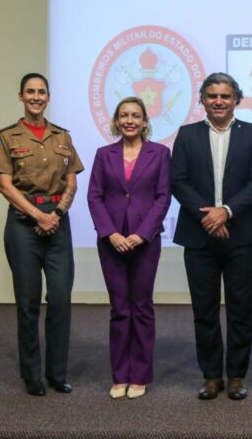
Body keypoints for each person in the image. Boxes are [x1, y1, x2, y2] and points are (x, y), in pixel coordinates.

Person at [171, 72, 252, 400]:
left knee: (241, 309)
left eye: (225, 96)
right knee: (205, 310)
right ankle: (211, 376)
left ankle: (237, 375)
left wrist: (225, 210)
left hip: (240, 235)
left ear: (236, 100)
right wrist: (209, 216)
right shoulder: (186, 135)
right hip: (199, 237)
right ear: (202, 100)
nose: (218, 101)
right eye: (212, 96)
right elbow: (178, 181)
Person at [0, 73, 84, 396]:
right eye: (30, 92)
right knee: (28, 302)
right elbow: (5, 185)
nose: (36, 97)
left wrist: (55, 215)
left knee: (60, 299)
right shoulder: (7, 137)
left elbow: (71, 181)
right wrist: (38, 216)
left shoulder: (63, 137)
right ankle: (32, 375)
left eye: (41, 92)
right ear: (20, 96)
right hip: (23, 225)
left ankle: (57, 373)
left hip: (58, 223)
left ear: (48, 97)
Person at [87, 97, 171, 400]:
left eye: (136, 115)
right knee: (120, 309)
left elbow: (163, 197)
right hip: (111, 242)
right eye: (124, 115)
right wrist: (110, 233)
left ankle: (140, 375)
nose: (130, 120)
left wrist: (141, 234)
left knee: (142, 307)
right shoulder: (103, 154)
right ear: (116, 121)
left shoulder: (160, 154)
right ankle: (120, 375)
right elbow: (95, 196)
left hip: (145, 242)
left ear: (145, 121)